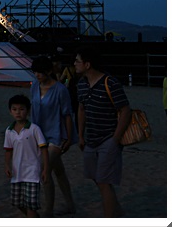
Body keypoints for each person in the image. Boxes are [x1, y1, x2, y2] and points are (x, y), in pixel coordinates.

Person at [76, 46, 131, 217]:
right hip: (90, 138)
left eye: (77, 61)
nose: (74, 64)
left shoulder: (110, 83)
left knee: (103, 180)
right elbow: (81, 109)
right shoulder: (82, 84)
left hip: (108, 137)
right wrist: (80, 135)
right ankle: (117, 212)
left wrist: (116, 138)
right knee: (97, 178)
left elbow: (125, 110)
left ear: (87, 64)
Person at [30, 56, 77, 217]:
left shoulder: (60, 89)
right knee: (59, 171)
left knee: (45, 169)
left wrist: (69, 138)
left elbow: (67, 114)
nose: (37, 75)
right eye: (35, 72)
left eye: (40, 72)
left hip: (57, 134)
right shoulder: (35, 86)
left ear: (48, 71)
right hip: (40, 134)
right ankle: (70, 205)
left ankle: (48, 210)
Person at [4, 94, 49, 218]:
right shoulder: (9, 131)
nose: (18, 112)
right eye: (14, 109)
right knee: (17, 202)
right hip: (17, 172)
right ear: (10, 111)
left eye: (21, 109)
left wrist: (45, 169)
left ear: (28, 111)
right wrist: (7, 165)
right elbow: (8, 150)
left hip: (32, 172)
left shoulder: (34, 129)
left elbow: (44, 149)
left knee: (31, 205)